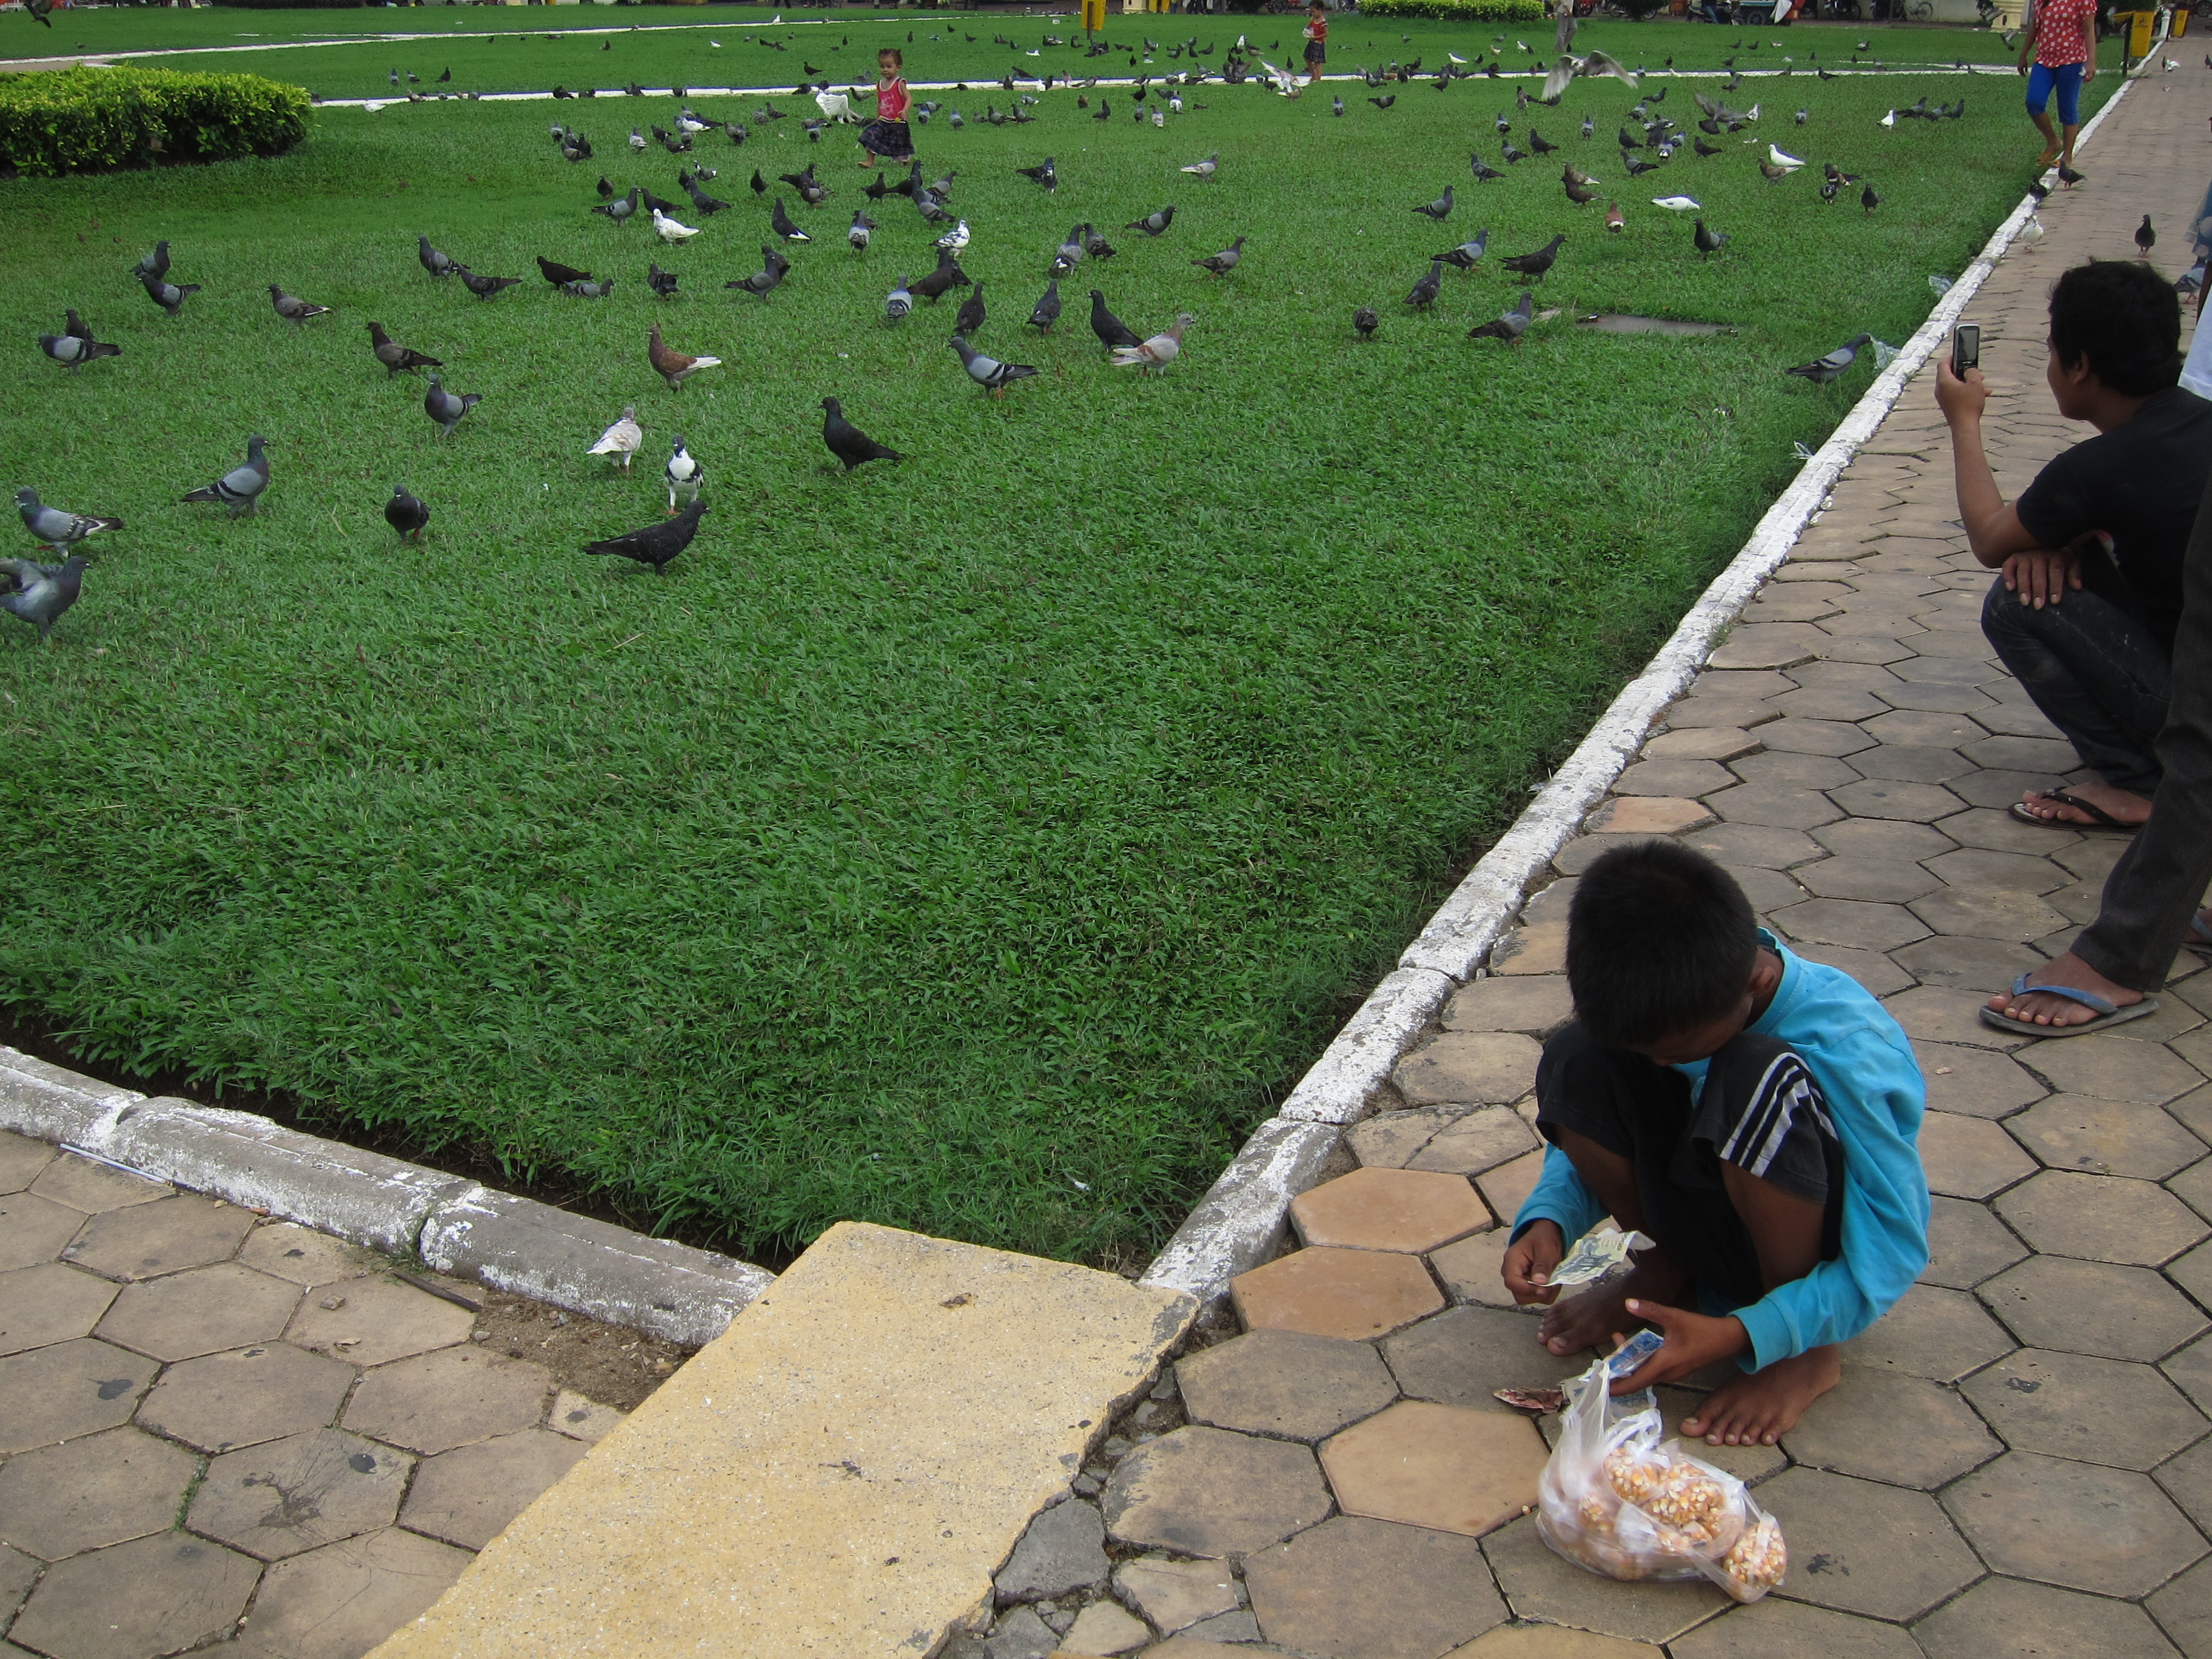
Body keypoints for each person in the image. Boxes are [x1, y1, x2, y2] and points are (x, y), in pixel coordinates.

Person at [1501, 840, 1928, 1447]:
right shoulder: (1684, 992)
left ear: (1754, 982)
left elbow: (1893, 1252)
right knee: (1576, 1058)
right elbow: (1604, 1118)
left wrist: (1741, 1336)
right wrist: (1550, 1217)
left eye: (1677, 1057)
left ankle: (1803, 1352)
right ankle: (1668, 1271)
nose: (1661, 1067)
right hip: (1703, 1213)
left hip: (1804, 1261)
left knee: (1759, 1078)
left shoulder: (1847, 1047)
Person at [1934, 261, 2211, 836]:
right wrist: (2065, 540)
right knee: (2054, 561)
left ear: (2081, 366)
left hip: (2199, 722)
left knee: (2014, 601)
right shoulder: (2194, 423)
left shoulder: (2100, 468)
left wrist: (1964, 419)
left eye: (2053, 351)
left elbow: (1990, 538)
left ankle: (2140, 784)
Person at [2017, 0, 2095, 178]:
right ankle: (2053, 141)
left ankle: (2067, 156)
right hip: (2044, 60)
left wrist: (2091, 61)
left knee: (2067, 106)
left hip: (2072, 59)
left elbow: (2089, 29)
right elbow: (2035, 27)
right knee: (2034, 102)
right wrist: (2023, 55)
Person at [857, 47, 913, 171]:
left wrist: (904, 111)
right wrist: (878, 116)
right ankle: (870, 161)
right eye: (882, 66)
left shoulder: (899, 84)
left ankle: (906, 163)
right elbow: (880, 102)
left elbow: (909, 98)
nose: (885, 69)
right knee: (871, 136)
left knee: (901, 146)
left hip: (897, 121)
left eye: (889, 66)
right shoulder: (880, 84)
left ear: (898, 67)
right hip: (883, 120)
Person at [1301, 0, 1327, 88]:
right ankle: (1314, 75)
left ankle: (1318, 78)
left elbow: (1326, 34)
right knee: (1307, 58)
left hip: (1319, 43)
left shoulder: (1323, 22)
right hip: (1312, 42)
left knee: (1317, 62)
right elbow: (1308, 26)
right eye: (1311, 12)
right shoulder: (1313, 19)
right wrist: (1307, 31)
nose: (1312, 14)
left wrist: (1316, 37)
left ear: (1320, 10)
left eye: (1314, 12)